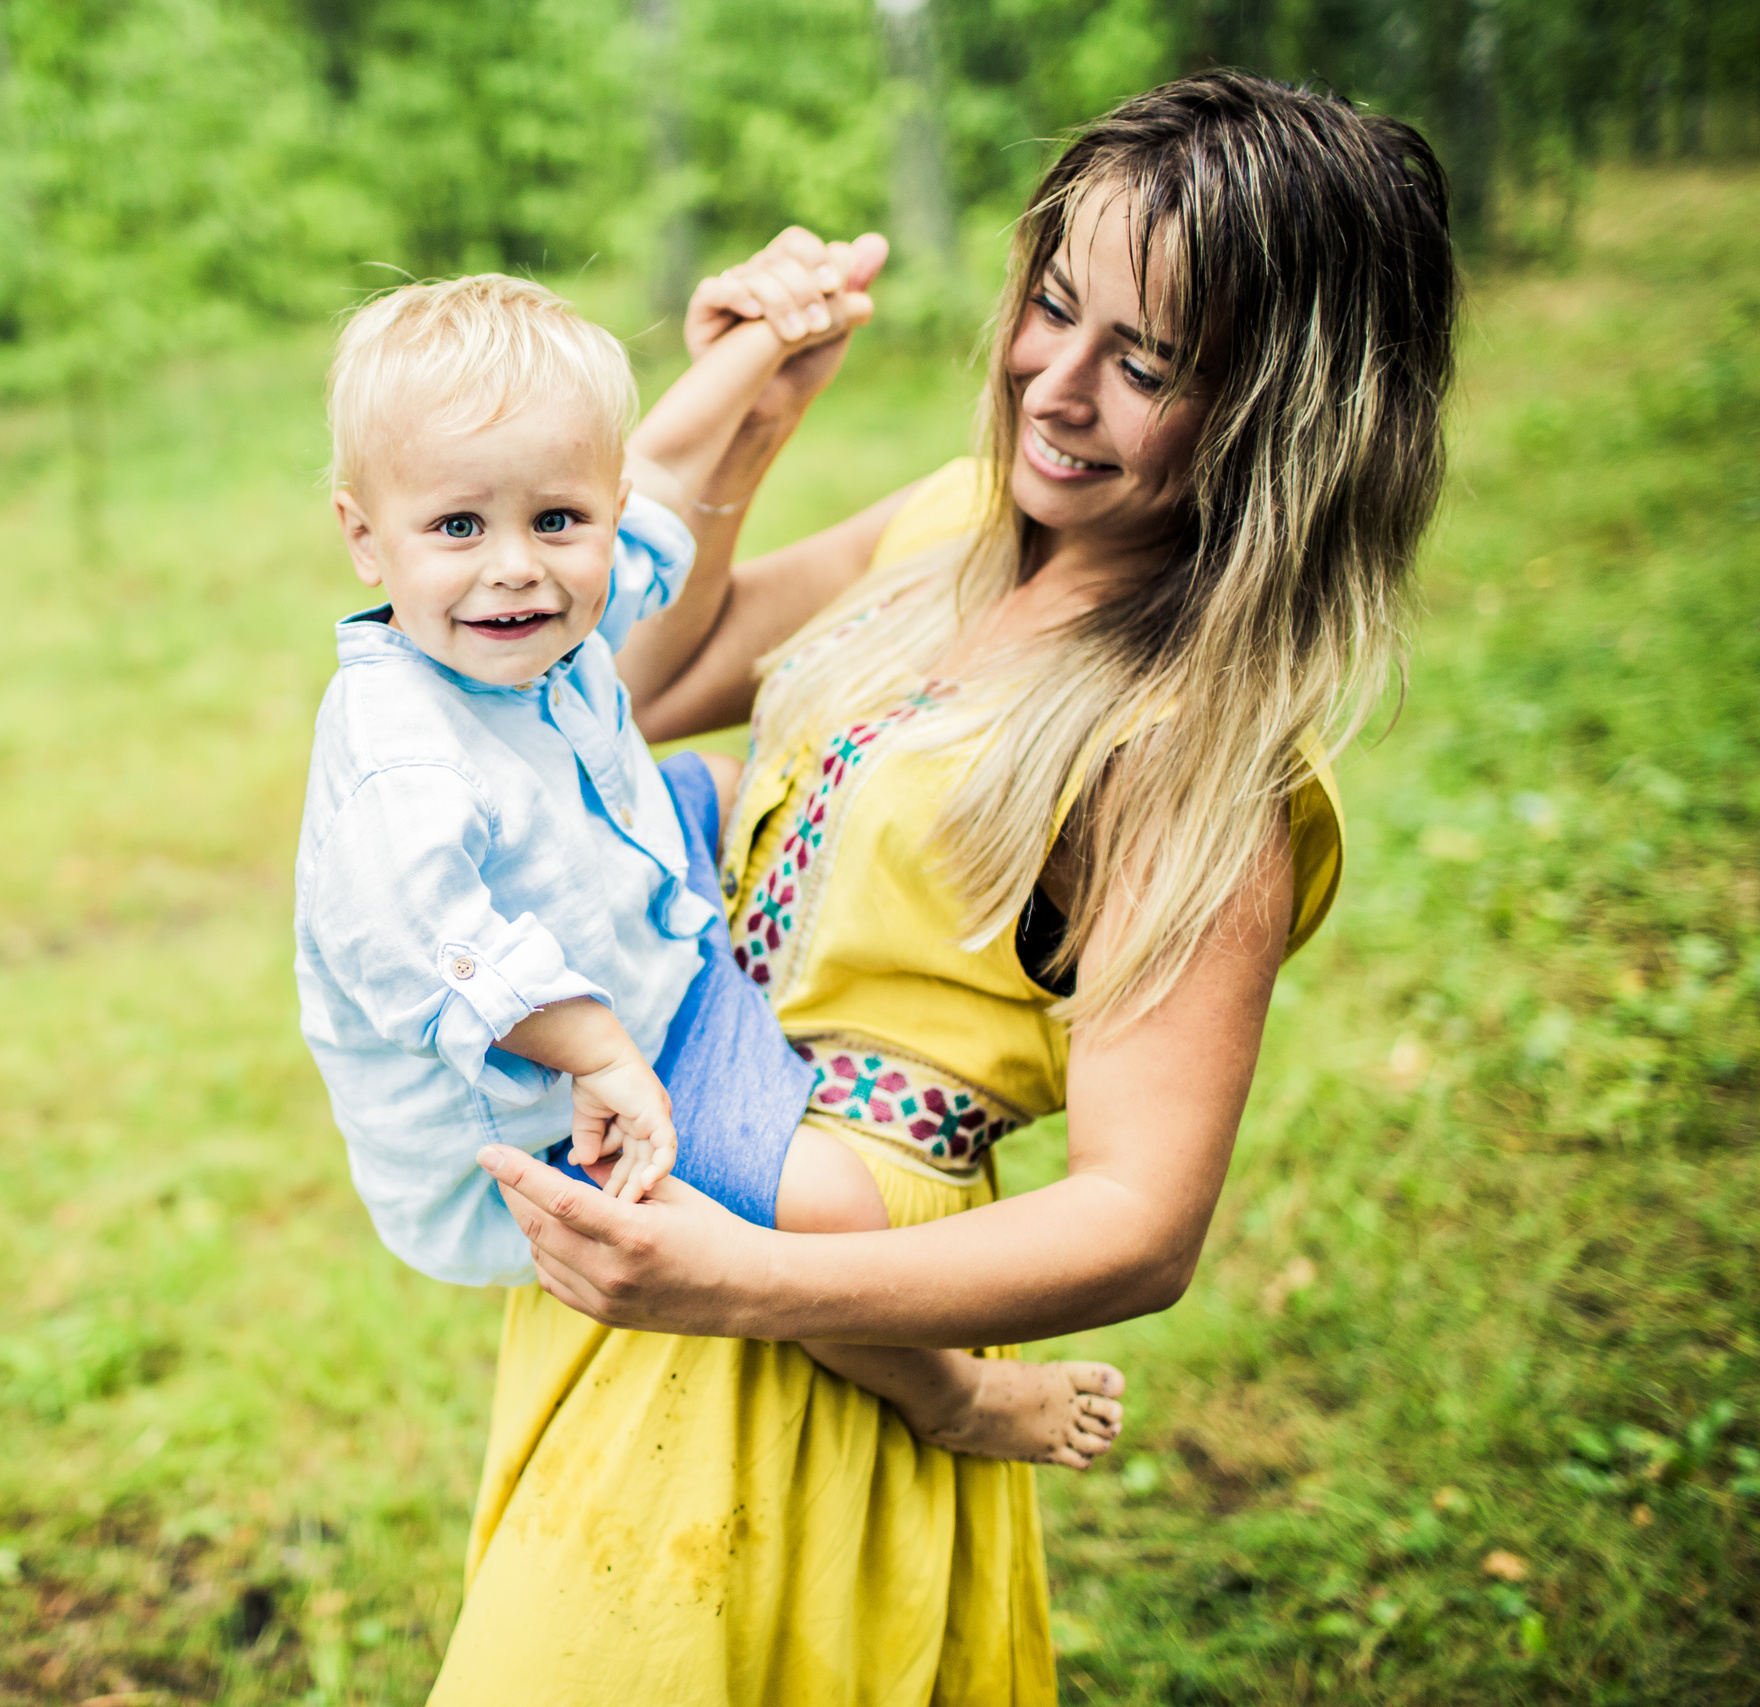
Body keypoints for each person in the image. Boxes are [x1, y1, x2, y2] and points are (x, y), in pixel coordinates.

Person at [432, 70, 1460, 1703]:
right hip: (677, 1161)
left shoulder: (1191, 750)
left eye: (1148, 362)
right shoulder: (962, 522)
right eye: (1052, 307)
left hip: (828, 1275)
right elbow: (630, 673)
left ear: (1283, 419)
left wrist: (742, 1283)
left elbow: (1141, 1217)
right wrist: (744, 414)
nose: (1055, 385)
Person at [295, 273, 1127, 1473]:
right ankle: (952, 1400)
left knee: (735, 788)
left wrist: (762, 352)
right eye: (459, 528)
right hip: (558, 1074)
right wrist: (600, 1054)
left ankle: (775, 991)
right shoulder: (399, 757)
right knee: (832, 1211)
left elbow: (664, 476)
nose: (517, 568)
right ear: (365, 537)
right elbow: (443, 954)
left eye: (558, 521)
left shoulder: (526, 604)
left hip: (614, 900)